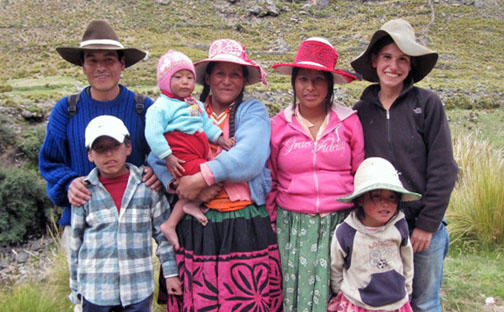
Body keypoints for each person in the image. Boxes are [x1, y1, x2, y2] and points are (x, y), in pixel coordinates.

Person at [148, 39, 283, 311]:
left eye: (235, 74)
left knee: (246, 300)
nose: (227, 81)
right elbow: (156, 154)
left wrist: (200, 179)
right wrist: (177, 182)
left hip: (243, 221)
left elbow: (249, 158)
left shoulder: (251, 111)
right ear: (208, 78)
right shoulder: (185, 110)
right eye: (220, 73)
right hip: (197, 225)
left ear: (244, 81)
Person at [350, 19, 458, 312]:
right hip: (379, 226)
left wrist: (427, 224)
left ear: (410, 66)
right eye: (387, 57)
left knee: (424, 302)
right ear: (374, 61)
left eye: (402, 59)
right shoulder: (360, 111)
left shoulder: (428, 104)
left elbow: (443, 168)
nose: (393, 66)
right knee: (386, 302)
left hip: (423, 228)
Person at [39, 19, 161, 256]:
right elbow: (50, 163)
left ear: (122, 64)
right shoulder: (65, 110)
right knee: (83, 293)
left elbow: (165, 153)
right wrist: (68, 184)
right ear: (83, 66)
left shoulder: (144, 108)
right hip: (81, 227)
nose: (101, 67)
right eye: (92, 60)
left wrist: (157, 171)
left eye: (109, 59)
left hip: (135, 227)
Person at [267, 37, 364, 312]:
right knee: (296, 295)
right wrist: (273, 222)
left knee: (341, 294)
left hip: (342, 223)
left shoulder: (349, 122)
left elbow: (359, 173)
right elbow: (271, 178)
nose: (310, 87)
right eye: (303, 79)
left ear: (330, 84)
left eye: (318, 80)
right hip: (293, 226)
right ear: (293, 83)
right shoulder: (278, 126)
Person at [69, 115, 180, 312]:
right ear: (90, 155)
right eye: (100, 148)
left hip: (137, 290)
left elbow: (164, 235)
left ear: (128, 147)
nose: (109, 154)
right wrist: (76, 288)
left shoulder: (147, 186)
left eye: (115, 145)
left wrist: (170, 273)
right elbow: (75, 244)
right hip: (96, 291)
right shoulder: (84, 193)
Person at [145, 50, 235, 250]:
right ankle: (173, 221)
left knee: (207, 176)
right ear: (166, 81)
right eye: (177, 77)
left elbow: (206, 125)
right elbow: (153, 134)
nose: (185, 82)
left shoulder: (194, 105)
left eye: (189, 77)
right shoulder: (161, 107)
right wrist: (167, 157)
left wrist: (221, 140)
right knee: (213, 173)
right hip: (180, 153)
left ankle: (179, 214)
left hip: (195, 150)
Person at [328, 157, 421, 312]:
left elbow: (407, 260)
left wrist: (407, 288)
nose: (385, 203)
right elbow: (336, 267)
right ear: (360, 200)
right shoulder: (346, 232)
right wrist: (342, 291)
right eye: (376, 196)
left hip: (395, 302)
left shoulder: (399, 226)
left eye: (391, 197)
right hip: (358, 302)